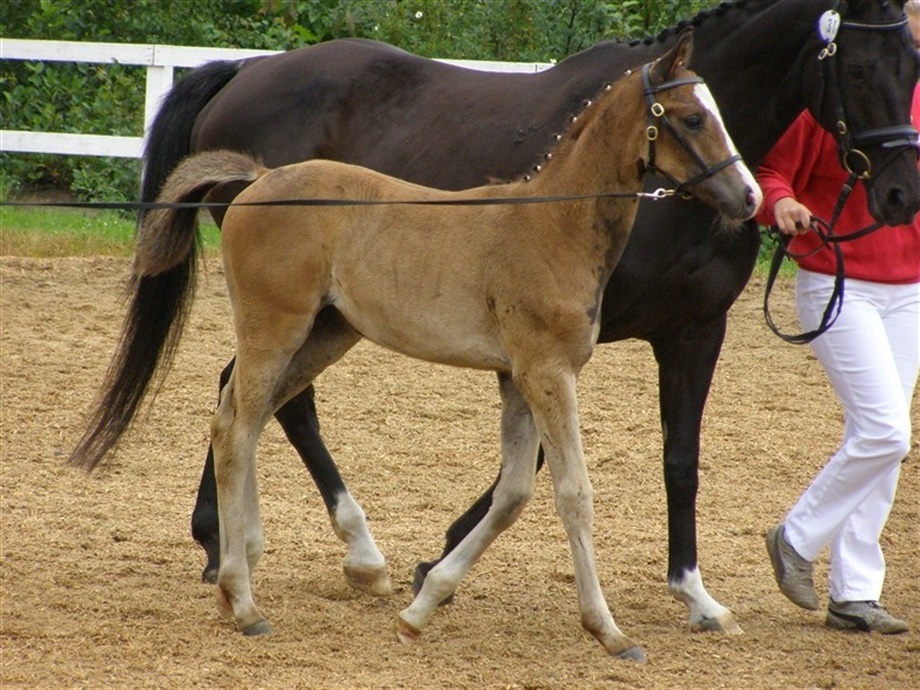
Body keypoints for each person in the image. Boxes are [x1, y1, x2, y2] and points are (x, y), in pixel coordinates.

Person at [757, 6, 920, 635]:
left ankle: (855, 593)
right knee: (887, 432)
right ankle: (795, 538)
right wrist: (781, 202)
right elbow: (770, 172)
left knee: (880, 443)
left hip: (910, 289)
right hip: (838, 279)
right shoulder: (834, 92)